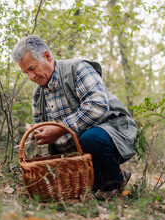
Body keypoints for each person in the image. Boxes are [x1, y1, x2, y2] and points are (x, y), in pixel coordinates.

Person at [12, 35, 137, 198]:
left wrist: (60, 129)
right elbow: (42, 124)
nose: (31, 76)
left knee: (91, 139)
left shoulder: (78, 68)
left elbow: (97, 105)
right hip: (74, 150)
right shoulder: (37, 94)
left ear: (47, 57)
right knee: (73, 179)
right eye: (25, 72)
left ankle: (114, 184)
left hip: (111, 133)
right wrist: (38, 132)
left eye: (32, 68)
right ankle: (105, 178)